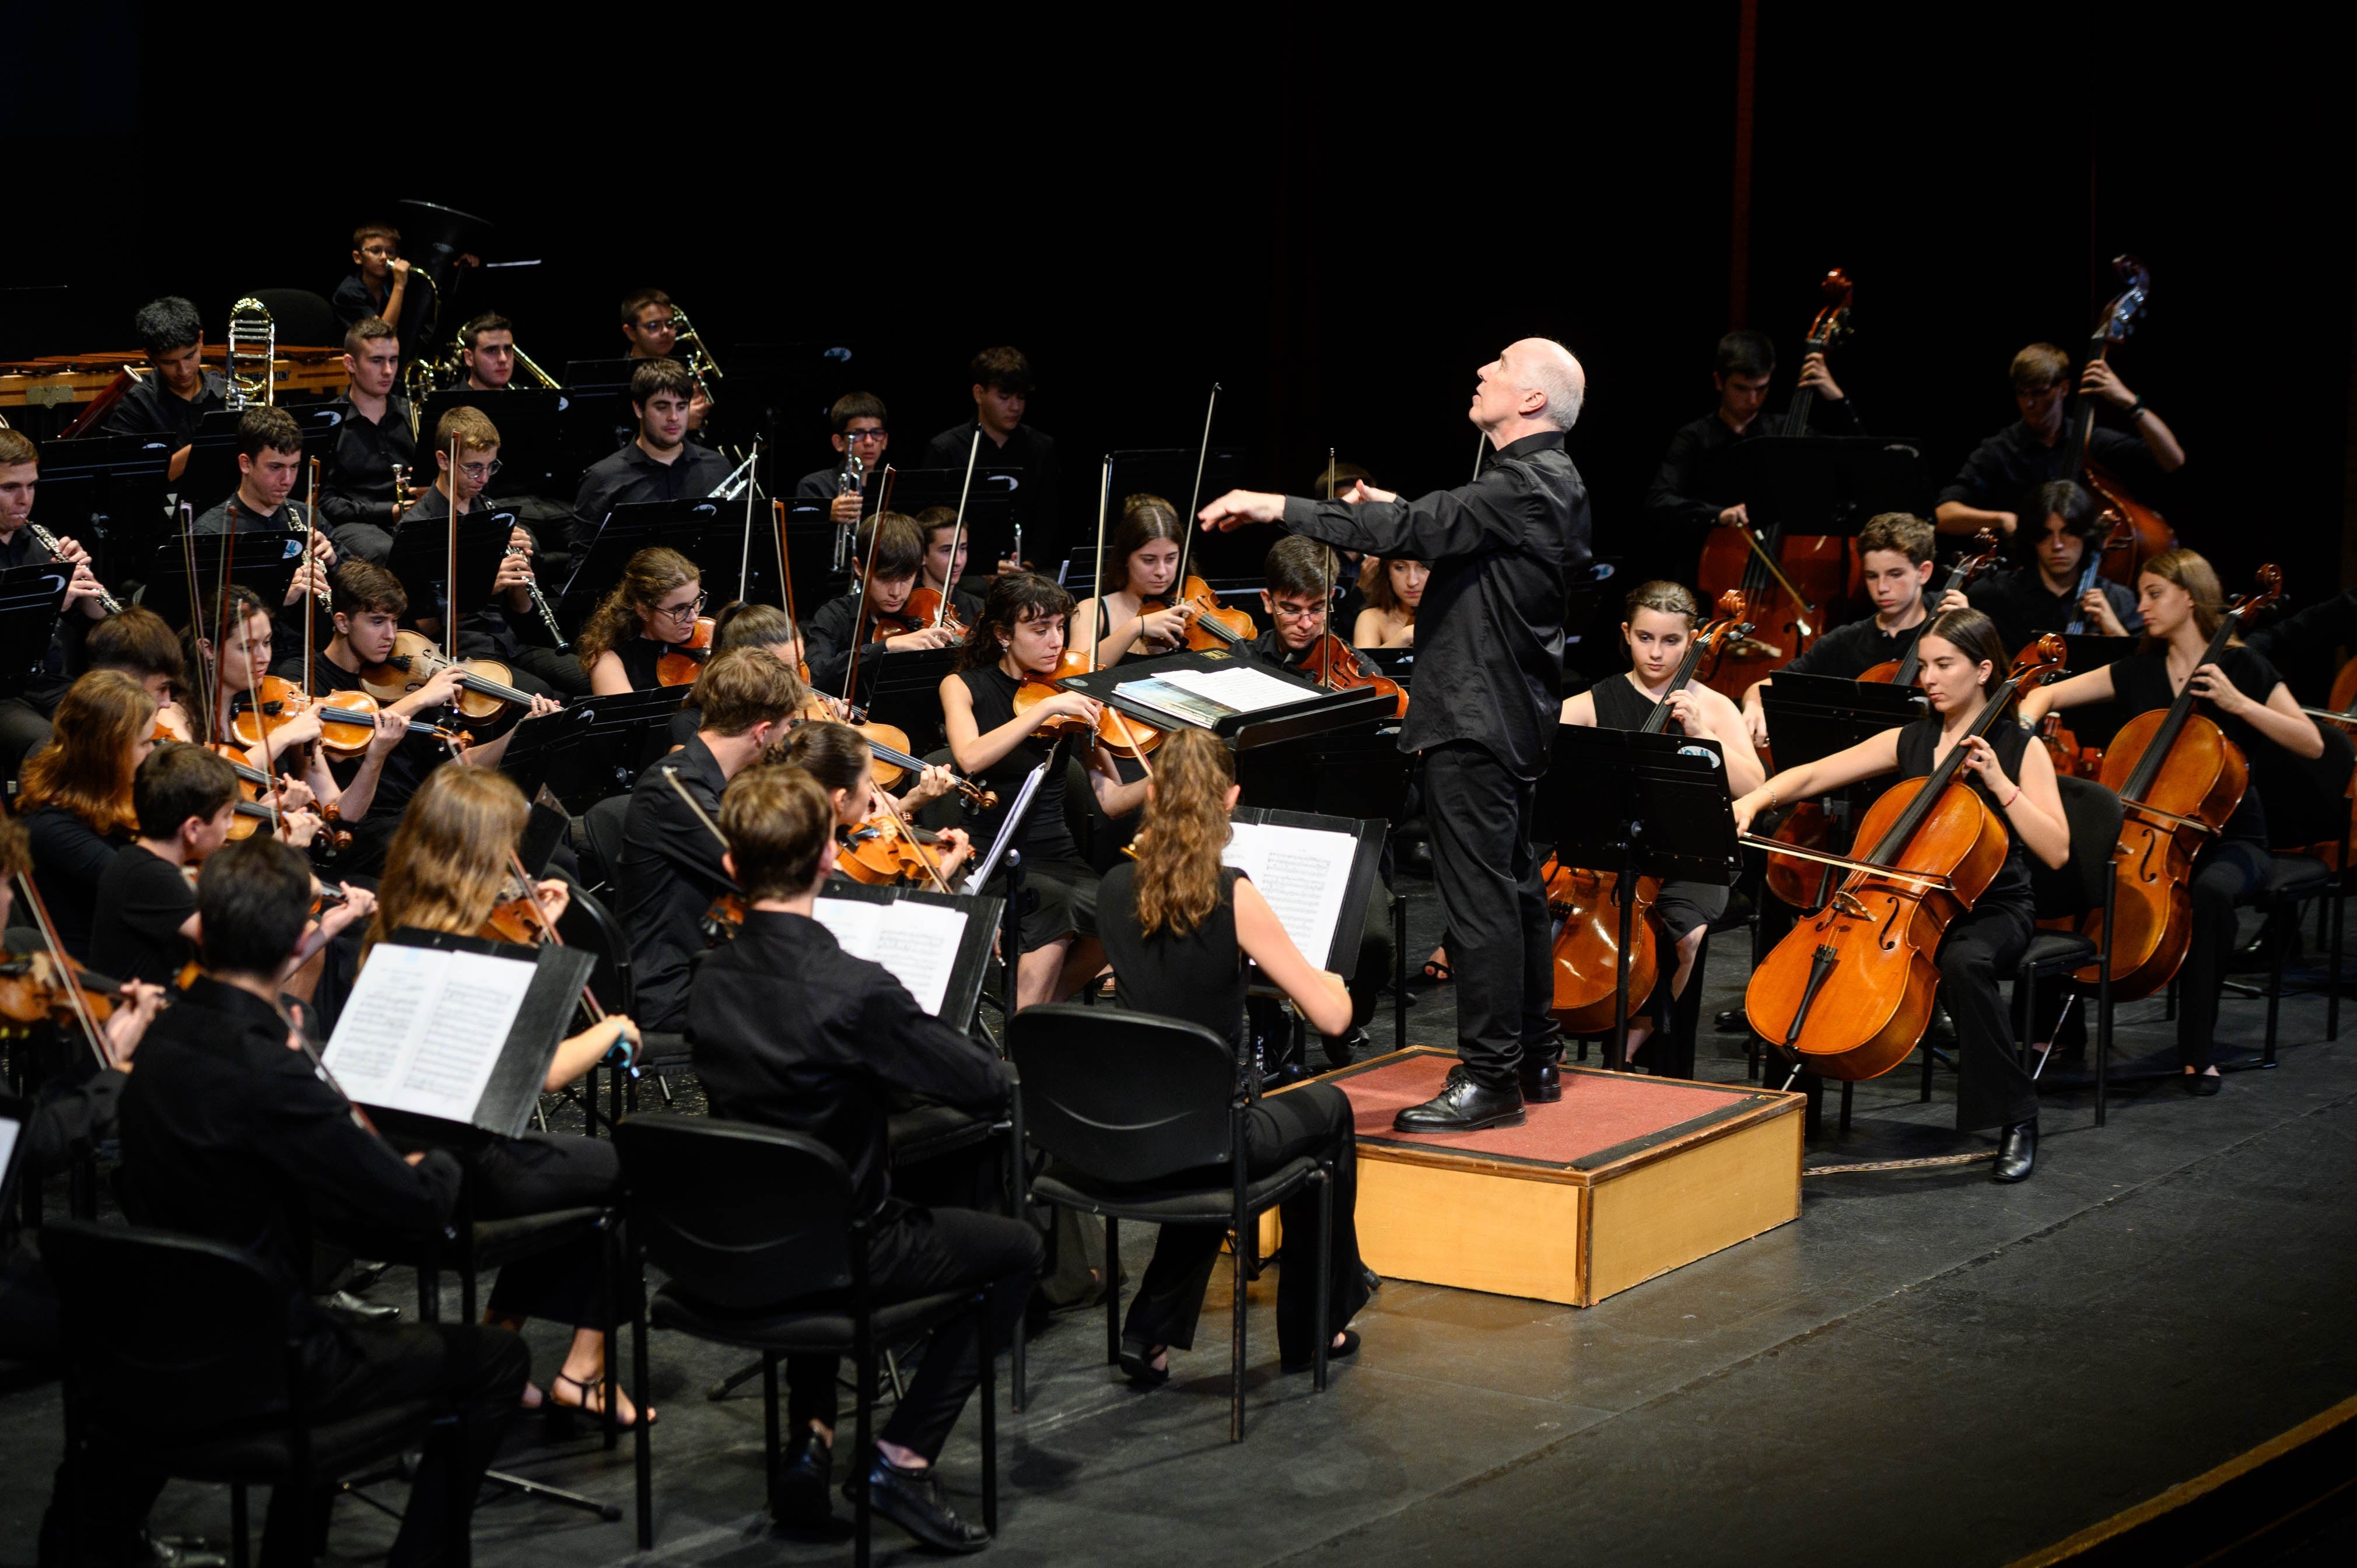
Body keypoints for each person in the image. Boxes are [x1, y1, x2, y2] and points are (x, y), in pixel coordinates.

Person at [1202, 340, 1591, 1131]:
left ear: (1530, 400)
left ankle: (1492, 1078)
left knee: (1480, 900)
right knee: (1513, 886)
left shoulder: (1522, 483)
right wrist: (1395, 509)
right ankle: (1533, 1055)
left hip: (1476, 717)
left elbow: (1415, 526)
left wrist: (1276, 505)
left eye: (1500, 366)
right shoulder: (1543, 482)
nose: (1481, 371)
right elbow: (1444, 529)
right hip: (1506, 715)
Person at [114, 834, 530, 1567]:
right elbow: (413, 1208)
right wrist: (439, 1152)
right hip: (264, 1362)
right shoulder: (272, 1074)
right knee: (497, 1359)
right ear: (300, 943)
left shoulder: (155, 1038)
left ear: (202, 929)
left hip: (150, 1344)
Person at [689, 761, 1039, 1548]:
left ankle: (810, 1440)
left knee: (818, 1189)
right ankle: (900, 1457)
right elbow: (985, 1086)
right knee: (1016, 1249)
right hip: (845, 1251)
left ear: (732, 864)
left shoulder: (709, 977)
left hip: (730, 1243)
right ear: (827, 856)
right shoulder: (854, 988)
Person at [1732, 609, 2069, 1180]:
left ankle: (2017, 1117)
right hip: (1904, 901)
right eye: (1926, 665)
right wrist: (1754, 800)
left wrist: (2000, 783)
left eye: (1944, 665)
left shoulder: (2018, 747)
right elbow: (1813, 775)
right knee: (1820, 957)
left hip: (1992, 905)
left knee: (1965, 962)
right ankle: (1790, 1107)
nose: (1928, 677)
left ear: (1983, 670)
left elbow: (2056, 849)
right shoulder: (1910, 739)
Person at [363, 764, 647, 1422]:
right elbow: (542, 1071)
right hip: (459, 1169)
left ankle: (499, 1347)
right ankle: (584, 1371)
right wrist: (610, 1030)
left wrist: (529, 928)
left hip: (398, 1159)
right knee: (634, 1166)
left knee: (575, 1183)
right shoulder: (473, 948)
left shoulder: (396, 924)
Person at [1097, 727, 1370, 1382]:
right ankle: (1314, 1328)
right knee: (1328, 1113)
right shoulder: (1231, 893)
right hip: (1210, 1135)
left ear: (1153, 796)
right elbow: (1332, 1017)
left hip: (1128, 1129)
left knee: (1210, 1136)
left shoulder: (1112, 885)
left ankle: (1149, 1330)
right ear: (1231, 799)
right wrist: (1332, 982)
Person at [2019, 549, 2324, 1093]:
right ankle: (2052, 1028)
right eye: (2141, 594)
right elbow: (2046, 692)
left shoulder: (2243, 666)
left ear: (2189, 597)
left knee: (2211, 893)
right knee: (2067, 870)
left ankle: (2197, 1052)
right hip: (2150, 837)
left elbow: (2312, 742)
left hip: (2232, 838)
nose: (2141, 606)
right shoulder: (2138, 670)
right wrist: (2024, 721)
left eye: (2153, 594)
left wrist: (2238, 703)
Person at [1560, 581, 1766, 1067]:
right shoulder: (1598, 699)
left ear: (1692, 639)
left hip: (1692, 854)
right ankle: (1548, 1028)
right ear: (1626, 633)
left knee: (1684, 935)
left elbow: (1753, 783)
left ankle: (1626, 1049)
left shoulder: (1712, 705)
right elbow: (1542, 742)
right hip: (1615, 851)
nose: (1656, 653)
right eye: (1645, 638)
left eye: (1671, 641)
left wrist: (1701, 732)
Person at [941, 572, 1149, 1008]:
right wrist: (1045, 709)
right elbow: (970, 757)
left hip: (1058, 854)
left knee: (1127, 908)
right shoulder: (962, 686)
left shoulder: (1070, 690)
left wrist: (1164, 780)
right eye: (1040, 630)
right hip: (993, 855)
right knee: (1055, 904)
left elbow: (1111, 800)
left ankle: (1035, 1018)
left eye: (1060, 627)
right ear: (1003, 635)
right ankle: (1032, 1022)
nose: (1056, 642)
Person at [273, 560, 558, 871]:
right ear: (343, 623)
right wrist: (420, 699)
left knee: (541, 844)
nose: (390, 635)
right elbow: (338, 744)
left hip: (421, 810)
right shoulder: (301, 675)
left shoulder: (402, 678)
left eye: (395, 622)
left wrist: (518, 733)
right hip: (362, 827)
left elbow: (450, 768)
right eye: (378, 622)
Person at [618, 647, 805, 1034]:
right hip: (673, 985)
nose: (787, 738)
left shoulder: (716, 781)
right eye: (787, 727)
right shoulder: (674, 787)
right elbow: (764, 873)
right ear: (761, 732)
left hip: (720, 960)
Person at [1641, 328, 1859, 583]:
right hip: (1707, 567)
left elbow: (1857, 457)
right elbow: (1659, 500)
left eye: (1761, 388)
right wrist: (1718, 514)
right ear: (1719, 382)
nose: (1753, 399)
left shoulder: (1786, 432)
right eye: (1741, 389)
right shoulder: (1694, 438)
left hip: (1782, 567)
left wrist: (1837, 398)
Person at [1740, 512, 1970, 748]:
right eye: (1872, 576)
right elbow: (1763, 688)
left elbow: (1983, 695)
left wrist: (1966, 636)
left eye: (1895, 574)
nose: (1882, 588)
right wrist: (1755, 704)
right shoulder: (1845, 642)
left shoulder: (1947, 633)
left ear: (1924, 572)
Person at [398, 405, 584, 698]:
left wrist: (520, 569)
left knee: (587, 678)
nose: (484, 478)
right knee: (545, 696)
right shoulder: (418, 527)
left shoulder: (491, 513)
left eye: (490, 466)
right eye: (473, 467)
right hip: (460, 655)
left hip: (508, 643)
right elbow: (424, 625)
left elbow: (522, 609)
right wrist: (483, 586)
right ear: (443, 460)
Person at [1933, 342, 2186, 539]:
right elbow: (1944, 514)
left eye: (2039, 393)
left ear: (2063, 389)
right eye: (2022, 394)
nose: (2029, 403)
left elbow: (2172, 460)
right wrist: (2002, 518)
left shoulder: (2089, 440)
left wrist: (2130, 402)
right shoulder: (2000, 449)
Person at [0, 429, 118, 774]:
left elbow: (96, 620)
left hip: (48, 682)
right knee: (49, 746)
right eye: (10, 488)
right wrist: (52, 604)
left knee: (121, 723)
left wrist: (86, 586)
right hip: (4, 691)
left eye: (32, 486)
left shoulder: (38, 541)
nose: (25, 499)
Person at [18, 670, 159, 957]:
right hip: (92, 968)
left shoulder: (116, 795)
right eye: (144, 743)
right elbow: (144, 886)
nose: (153, 751)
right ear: (109, 752)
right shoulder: (52, 827)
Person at [89, 742, 238, 986]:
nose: (231, 826)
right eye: (226, 815)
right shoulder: (148, 875)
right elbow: (232, 948)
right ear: (193, 829)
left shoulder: (145, 864)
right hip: (139, 1008)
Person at [776, 719, 974, 886]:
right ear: (841, 800)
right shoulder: (828, 874)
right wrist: (939, 876)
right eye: (868, 781)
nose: (874, 791)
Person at [568, 358, 731, 552]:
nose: (674, 417)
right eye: (662, 407)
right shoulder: (601, 479)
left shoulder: (718, 468)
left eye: (681, 407)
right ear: (638, 408)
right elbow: (582, 560)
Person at [1966, 479, 2142, 653]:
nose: (2057, 545)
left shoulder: (2118, 600)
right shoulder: (1995, 595)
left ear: (2086, 536)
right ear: (2032, 539)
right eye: (2046, 534)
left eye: (2069, 532)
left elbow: (2145, 667)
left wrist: (2115, 631)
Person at [921, 347, 1060, 562]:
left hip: (1028, 569)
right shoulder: (946, 449)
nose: (1015, 407)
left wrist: (1028, 565)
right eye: (1004, 397)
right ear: (979, 393)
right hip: (966, 569)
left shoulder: (1041, 447)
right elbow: (933, 526)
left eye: (1021, 397)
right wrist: (984, 566)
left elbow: (1048, 520)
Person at [804, 513, 959, 697]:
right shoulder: (834, 615)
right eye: (885, 579)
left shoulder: (929, 610)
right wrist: (886, 647)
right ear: (859, 568)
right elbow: (814, 675)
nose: (896, 592)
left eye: (906, 578)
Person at [317, 315, 418, 564]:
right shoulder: (329, 423)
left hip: (412, 516)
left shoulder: (413, 414)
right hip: (354, 524)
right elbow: (326, 502)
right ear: (350, 364)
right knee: (386, 552)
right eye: (377, 361)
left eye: (393, 360)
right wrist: (390, 512)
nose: (388, 371)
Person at [98, 296, 228, 479]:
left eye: (189, 357)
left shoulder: (227, 393)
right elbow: (130, 480)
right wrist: (207, 443)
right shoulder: (135, 405)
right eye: (169, 362)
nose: (183, 371)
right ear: (150, 356)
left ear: (200, 340)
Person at [1069, 493, 1197, 667]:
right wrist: (1135, 627)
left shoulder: (1191, 604)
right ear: (1126, 558)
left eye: (1171, 559)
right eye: (1149, 560)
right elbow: (1076, 672)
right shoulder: (1092, 610)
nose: (1161, 571)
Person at [667, 601, 821, 745]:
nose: (797, 680)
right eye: (782, 670)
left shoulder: (782, 713)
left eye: (799, 665)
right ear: (743, 664)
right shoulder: (690, 726)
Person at [577, 545, 706, 694]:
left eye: (696, 602)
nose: (693, 617)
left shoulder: (709, 632)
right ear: (644, 611)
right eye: (679, 609)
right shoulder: (609, 661)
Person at [617, 287, 709, 430]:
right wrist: (683, 421)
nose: (666, 331)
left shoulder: (685, 370)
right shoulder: (619, 381)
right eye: (654, 326)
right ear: (631, 333)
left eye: (670, 324)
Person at [330, 222, 432, 349]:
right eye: (375, 251)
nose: (384, 257)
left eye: (390, 252)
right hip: (350, 358)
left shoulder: (390, 286)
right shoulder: (348, 292)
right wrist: (399, 286)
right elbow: (381, 338)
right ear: (358, 257)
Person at [794, 392, 889, 527]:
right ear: (839, 443)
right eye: (858, 434)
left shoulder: (892, 487)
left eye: (876, 433)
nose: (869, 442)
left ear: (884, 441)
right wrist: (826, 513)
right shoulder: (814, 486)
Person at [915, 506, 985, 627]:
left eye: (963, 549)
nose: (958, 561)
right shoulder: (900, 606)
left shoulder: (980, 610)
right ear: (922, 556)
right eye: (947, 551)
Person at [1353, 553, 1427, 647]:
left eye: (1424, 567)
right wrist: (1403, 637)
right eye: (1400, 567)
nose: (1412, 582)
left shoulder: (1446, 618)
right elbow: (1363, 657)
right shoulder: (1373, 617)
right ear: (1388, 573)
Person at [460, 313, 523, 392]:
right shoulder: (448, 399)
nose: (503, 359)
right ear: (469, 358)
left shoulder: (527, 396)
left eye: (507, 349)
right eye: (492, 350)